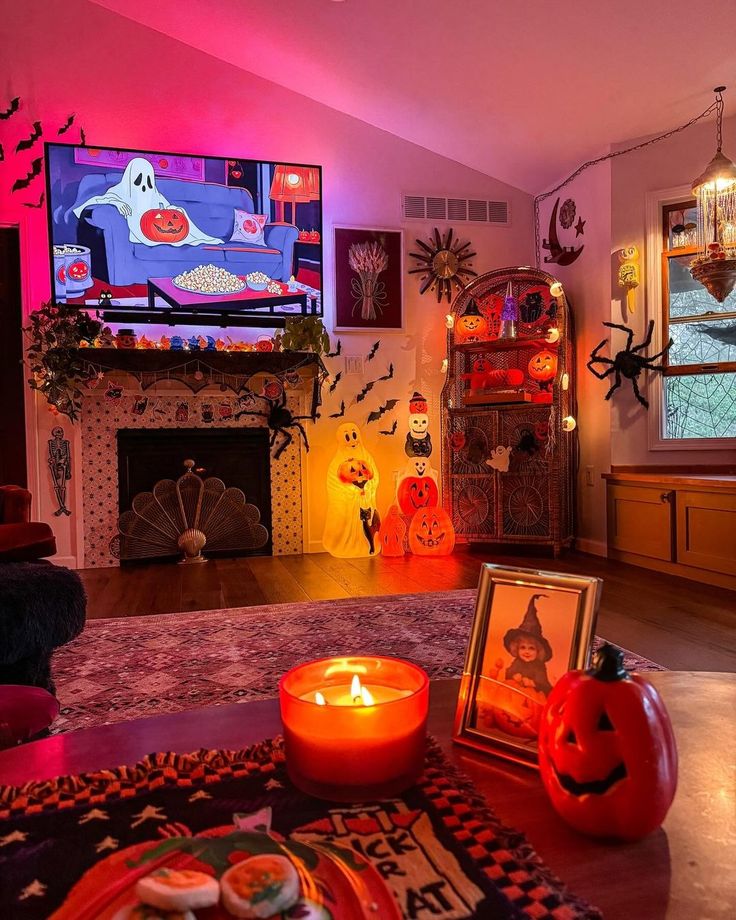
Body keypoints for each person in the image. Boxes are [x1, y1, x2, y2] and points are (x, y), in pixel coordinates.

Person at [502, 593, 553, 696]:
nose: (526, 651)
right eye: (523, 647)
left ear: (538, 651)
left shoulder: (539, 666)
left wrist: (532, 683)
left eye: (531, 648)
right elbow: (508, 673)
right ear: (516, 648)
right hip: (515, 694)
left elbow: (545, 686)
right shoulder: (517, 662)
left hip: (532, 697)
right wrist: (513, 675)